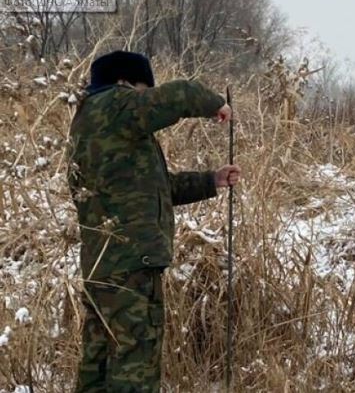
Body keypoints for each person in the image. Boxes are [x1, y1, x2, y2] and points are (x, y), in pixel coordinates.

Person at [67, 50, 241, 392]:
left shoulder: (91, 122)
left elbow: (150, 188)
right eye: (144, 90)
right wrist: (215, 104)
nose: (145, 99)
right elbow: (179, 95)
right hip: (132, 264)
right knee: (136, 361)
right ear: (124, 83)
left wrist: (211, 180)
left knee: (99, 359)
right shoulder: (116, 105)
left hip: (103, 263)